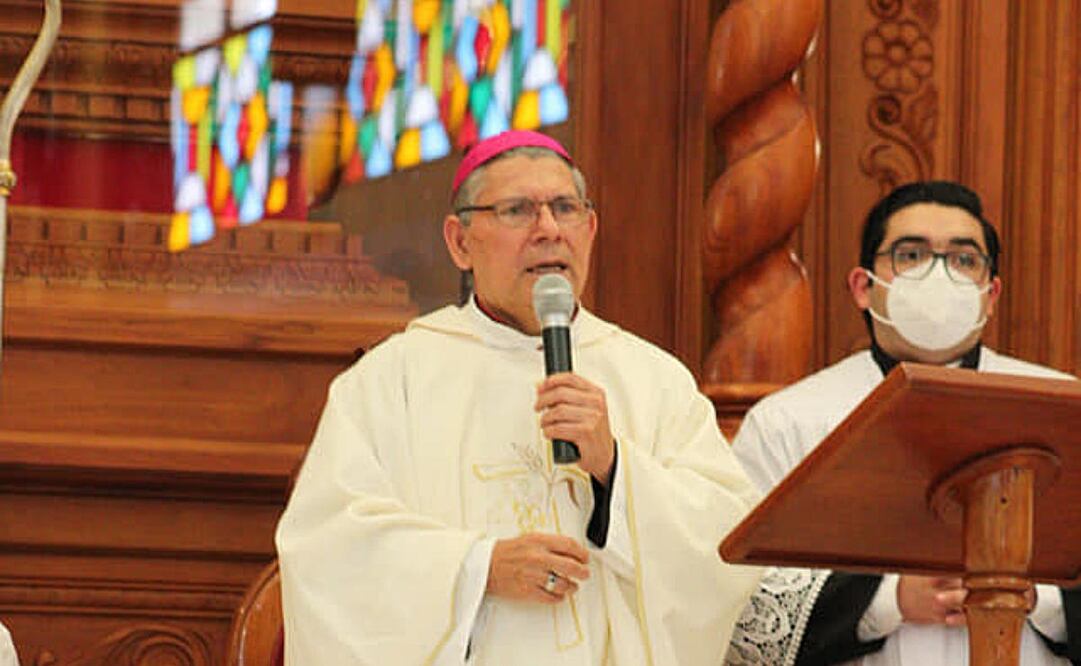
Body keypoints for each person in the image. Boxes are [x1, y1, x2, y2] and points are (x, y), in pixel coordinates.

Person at [276, 130, 762, 665]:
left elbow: (726, 548)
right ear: (460, 243)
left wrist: (615, 469)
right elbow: (328, 550)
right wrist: (478, 568)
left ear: (591, 230)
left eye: (565, 208)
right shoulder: (393, 379)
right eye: (517, 210)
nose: (549, 230)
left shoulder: (654, 381)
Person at [725, 181, 1081, 665]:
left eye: (964, 259)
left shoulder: (1061, 407)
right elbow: (735, 598)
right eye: (911, 255)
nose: (939, 274)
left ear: (990, 294)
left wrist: (1036, 596)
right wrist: (888, 602)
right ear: (863, 287)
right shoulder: (788, 422)